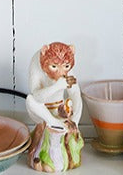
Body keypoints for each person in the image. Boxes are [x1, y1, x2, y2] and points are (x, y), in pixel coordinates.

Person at [26, 42, 84, 172]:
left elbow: (75, 93)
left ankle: (60, 127)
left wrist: (75, 120)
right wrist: (58, 86)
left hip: (60, 109)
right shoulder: (36, 63)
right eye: (54, 66)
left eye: (66, 66)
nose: (61, 73)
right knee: (30, 100)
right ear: (43, 54)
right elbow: (37, 96)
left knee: (74, 100)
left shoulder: (66, 66)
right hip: (42, 112)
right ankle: (55, 124)